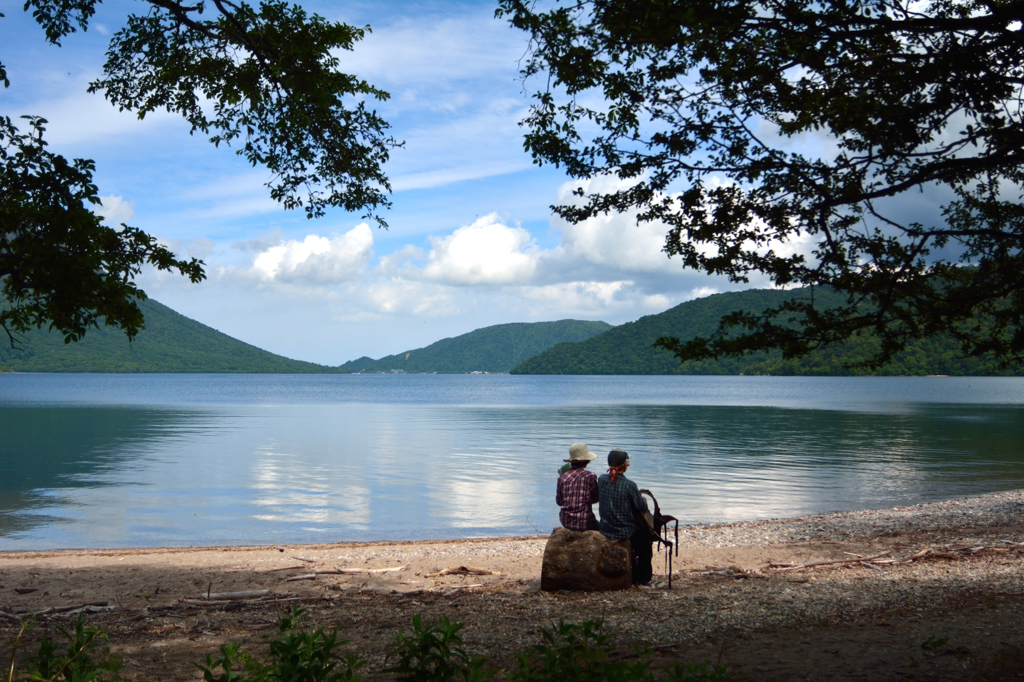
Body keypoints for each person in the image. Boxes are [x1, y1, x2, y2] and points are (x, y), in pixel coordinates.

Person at [597, 449, 653, 586]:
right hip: (625, 531)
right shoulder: (630, 485)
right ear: (625, 465)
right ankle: (643, 579)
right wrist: (644, 501)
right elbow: (642, 507)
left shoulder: (602, 479)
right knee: (646, 544)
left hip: (605, 528)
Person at [556, 442, 600, 532]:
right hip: (586, 522)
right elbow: (596, 499)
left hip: (566, 521)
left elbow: (559, 502)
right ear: (586, 462)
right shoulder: (590, 476)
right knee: (602, 528)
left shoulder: (562, 477)